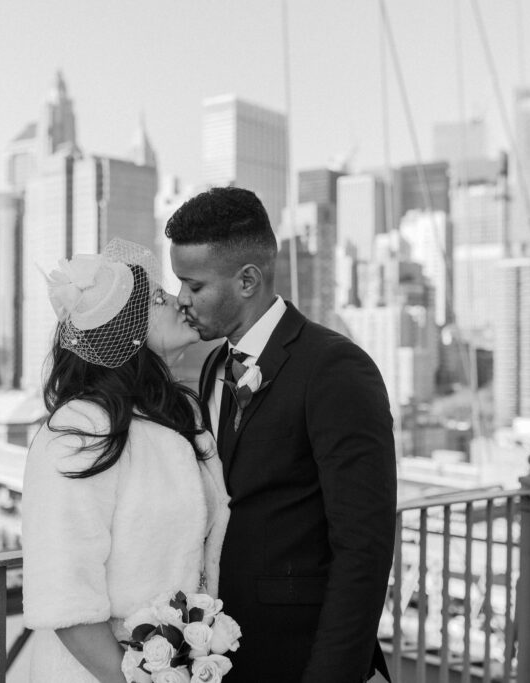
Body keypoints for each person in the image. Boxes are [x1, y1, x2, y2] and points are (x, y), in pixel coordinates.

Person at [166, 187, 397, 682]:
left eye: (194, 285)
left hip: (300, 658)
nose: (181, 300)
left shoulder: (336, 368)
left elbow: (364, 548)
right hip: (224, 656)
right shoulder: (211, 366)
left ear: (248, 279)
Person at [21, 239, 230, 683]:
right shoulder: (77, 431)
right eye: (159, 298)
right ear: (126, 328)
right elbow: (65, 595)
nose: (179, 301)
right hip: (96, 674)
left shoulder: (177, 418)